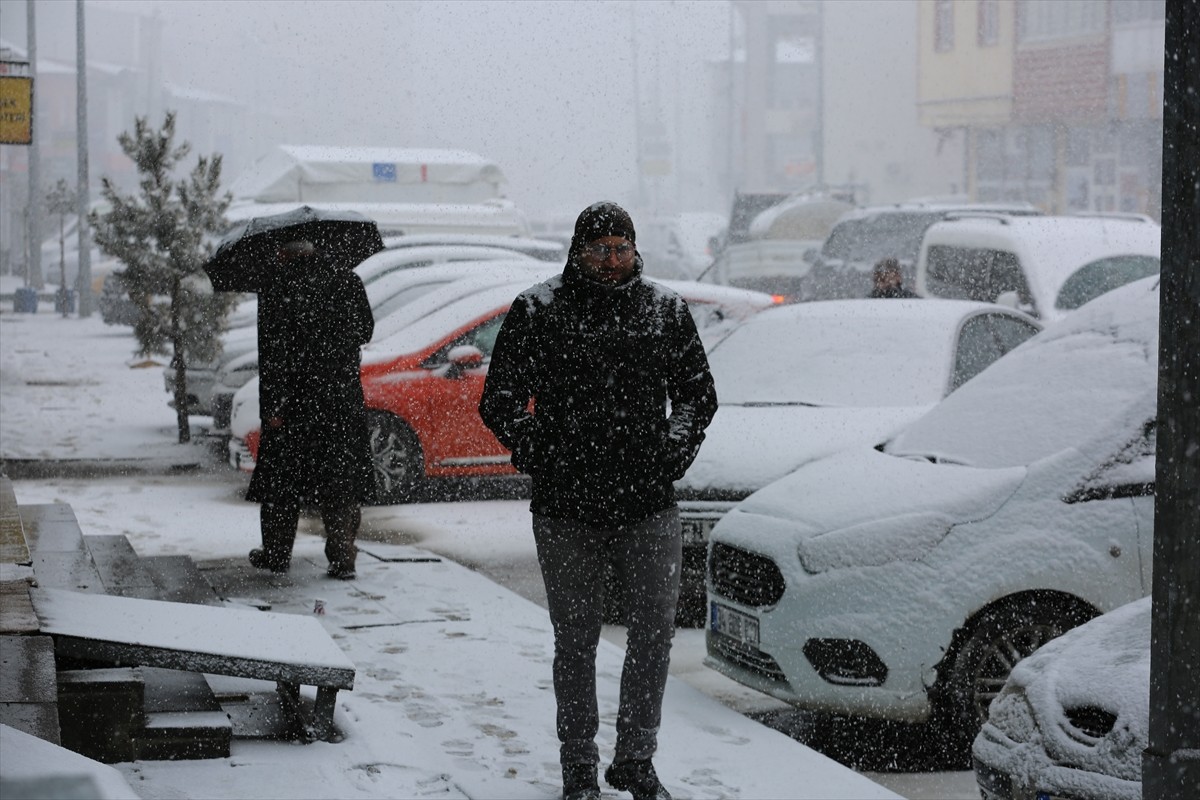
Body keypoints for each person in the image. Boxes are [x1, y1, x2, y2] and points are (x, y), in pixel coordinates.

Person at [480, 202, 717, 800]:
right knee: (576, 637)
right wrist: (537, 449)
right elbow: (499, 396)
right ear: (577, 251)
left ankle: (635, 758)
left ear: (635, 250)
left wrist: (671, 450)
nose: (612, 260)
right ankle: (579, 765)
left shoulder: (664, 310)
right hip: (566, 506)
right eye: (600, 249)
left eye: (621, 248)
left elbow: (697, 395)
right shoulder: (539, 310)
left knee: (653, 635)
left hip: (648, 502)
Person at [245, 237, 376, 580]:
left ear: (286, 250)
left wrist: (273, 405)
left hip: (292, 404)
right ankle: (343, 556)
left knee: (282, 484)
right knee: (339, 481)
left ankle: (276, 554)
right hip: (339, 400)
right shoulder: (346, 280)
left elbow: (271, 352)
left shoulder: (276, 285)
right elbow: (365, 330)